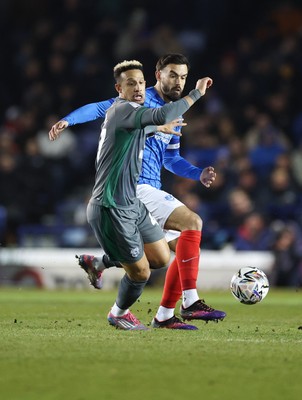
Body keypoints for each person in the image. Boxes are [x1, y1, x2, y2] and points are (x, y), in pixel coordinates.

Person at [49, 54, 226, 329]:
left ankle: (163, 314)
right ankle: (190, 302)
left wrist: (197, 173)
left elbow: (171, 159)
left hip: (150, 188)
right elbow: (98, 109)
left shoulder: (175, 110)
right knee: (192, 222)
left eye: (182, 77)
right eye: (172, 75)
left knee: (177, 251)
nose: (177, 81)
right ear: (158, 75)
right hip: (133, 186)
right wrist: (68, 121)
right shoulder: (134, 101)